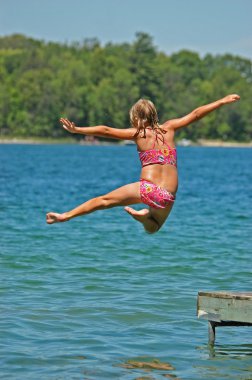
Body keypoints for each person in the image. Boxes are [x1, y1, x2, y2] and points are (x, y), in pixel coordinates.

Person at [46, 94, 240, 233]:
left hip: (147, 189)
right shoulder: (170, 128)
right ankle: (145, 216)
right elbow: (196, 114)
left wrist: (78, 130)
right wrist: (221, 101)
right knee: (154, 228)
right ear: (154, 115)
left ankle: (66, 216)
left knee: (104, 201)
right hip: (167, 195)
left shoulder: (137, 133)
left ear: (136, 118)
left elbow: (105, 130)